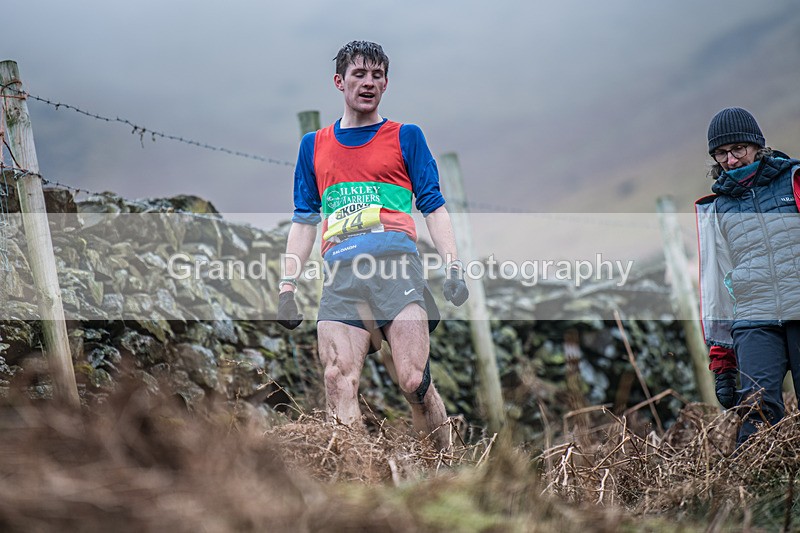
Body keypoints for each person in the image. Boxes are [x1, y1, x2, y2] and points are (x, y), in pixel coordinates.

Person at [276, 41, 469, 450]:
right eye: (359, 75)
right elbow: (304, 221)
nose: (368, 83)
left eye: (377, 75)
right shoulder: (314, 146)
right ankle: (358, 481)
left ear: (386, 82)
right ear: (339, 81)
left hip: (397, 271)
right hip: (342, 277)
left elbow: (434, 207)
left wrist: (454, 267)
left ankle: (445, 470)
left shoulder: (406, 137)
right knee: (336, 379)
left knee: (414, 382)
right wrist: (287, 287)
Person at [696, 107, 800, 447]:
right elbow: (716, 285)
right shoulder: (717, 209)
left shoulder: (794, 180)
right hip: (755, 318)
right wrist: (722, 360)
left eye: (738, 149)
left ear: (757, 145)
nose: (732, 159)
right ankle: (756, 494)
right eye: (722, 153)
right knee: (755, 410)